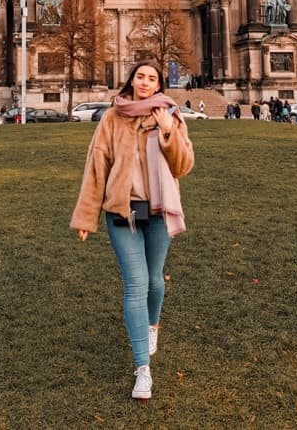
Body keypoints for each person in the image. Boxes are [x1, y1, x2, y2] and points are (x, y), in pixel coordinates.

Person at [71, 62, 194, 400]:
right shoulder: (113, 117)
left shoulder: (169, 114)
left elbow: (184, 166)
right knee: (136, 285)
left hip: (157, 211)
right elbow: (97, 166)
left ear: (158, 84)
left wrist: (168, 132)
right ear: (132, 80)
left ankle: (152, 326)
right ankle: (143, 370)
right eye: (140, 76)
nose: (145, 82)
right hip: (122, 211)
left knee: (155, 280)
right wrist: (85, 217)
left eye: (152, 78)